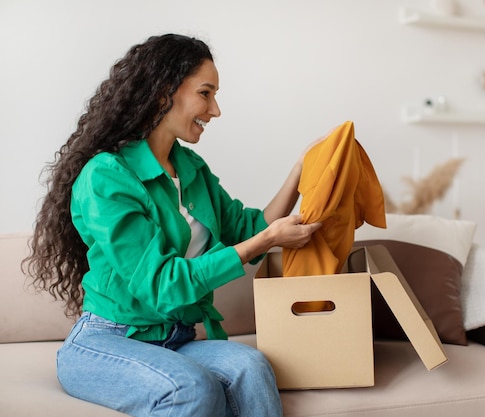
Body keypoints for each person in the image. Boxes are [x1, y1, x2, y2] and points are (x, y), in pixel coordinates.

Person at [22, 33, 322, 417]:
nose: (215, 110)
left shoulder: (190, 168)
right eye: (206, 93)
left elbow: (249, 228)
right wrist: (263, 240)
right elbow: (162, 284)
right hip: (107, 341)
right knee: (190, 388)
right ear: (166, 91)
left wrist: (300, 169)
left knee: (251, 367)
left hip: (175, 338)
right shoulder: (107, 177)